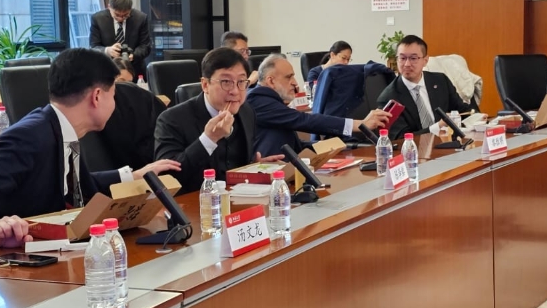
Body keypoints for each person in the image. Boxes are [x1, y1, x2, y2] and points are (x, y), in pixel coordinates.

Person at [0, 48, 163, 248]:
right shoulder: (29, 137)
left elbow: (78, 186)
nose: (115, 104)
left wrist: (133, 176)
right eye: (113, 96)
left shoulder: (63, 129)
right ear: (97, 96)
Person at [155, 47, 266, 193]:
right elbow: (166, 177)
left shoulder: (246, 111)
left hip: (238, 198)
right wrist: (209, 139)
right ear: (205, 85)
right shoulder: (171, 119)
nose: (235, 91)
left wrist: (255, 166)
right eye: (226, 82)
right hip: (194, 202)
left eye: (241, 81)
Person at [247, 53, 388, 156]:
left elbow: (295, 145)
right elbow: (305, 120)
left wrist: (339, 146)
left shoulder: (269, 101)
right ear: (271, 81)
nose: (295, 82)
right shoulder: (256, 99)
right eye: (289, 77)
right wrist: (360, 124)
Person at [376, 34, 475, 136]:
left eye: (413, 58)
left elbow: (462, 111)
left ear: (425, 60)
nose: (407, 64)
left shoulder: (440, 81)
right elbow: (401, 138)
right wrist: (437, 127)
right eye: (402, 58)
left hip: (448, 141)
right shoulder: (389, 98)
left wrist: (477, 118)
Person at [95, 59, 172, 173]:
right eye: (120, 81)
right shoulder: (99, 111)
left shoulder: (142, 100)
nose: (126, 87)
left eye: (129, 82)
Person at [89, 0, 151, 80]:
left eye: (125, 15)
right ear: (109, 7)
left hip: (135, 70)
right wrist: (107, 50)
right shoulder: (98, 19)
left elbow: (145, 46)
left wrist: (134, 55)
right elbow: (93, 47)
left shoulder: (141, 18)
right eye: (117, 15)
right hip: (107, 70)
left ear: (130, 9)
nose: (120, 18)